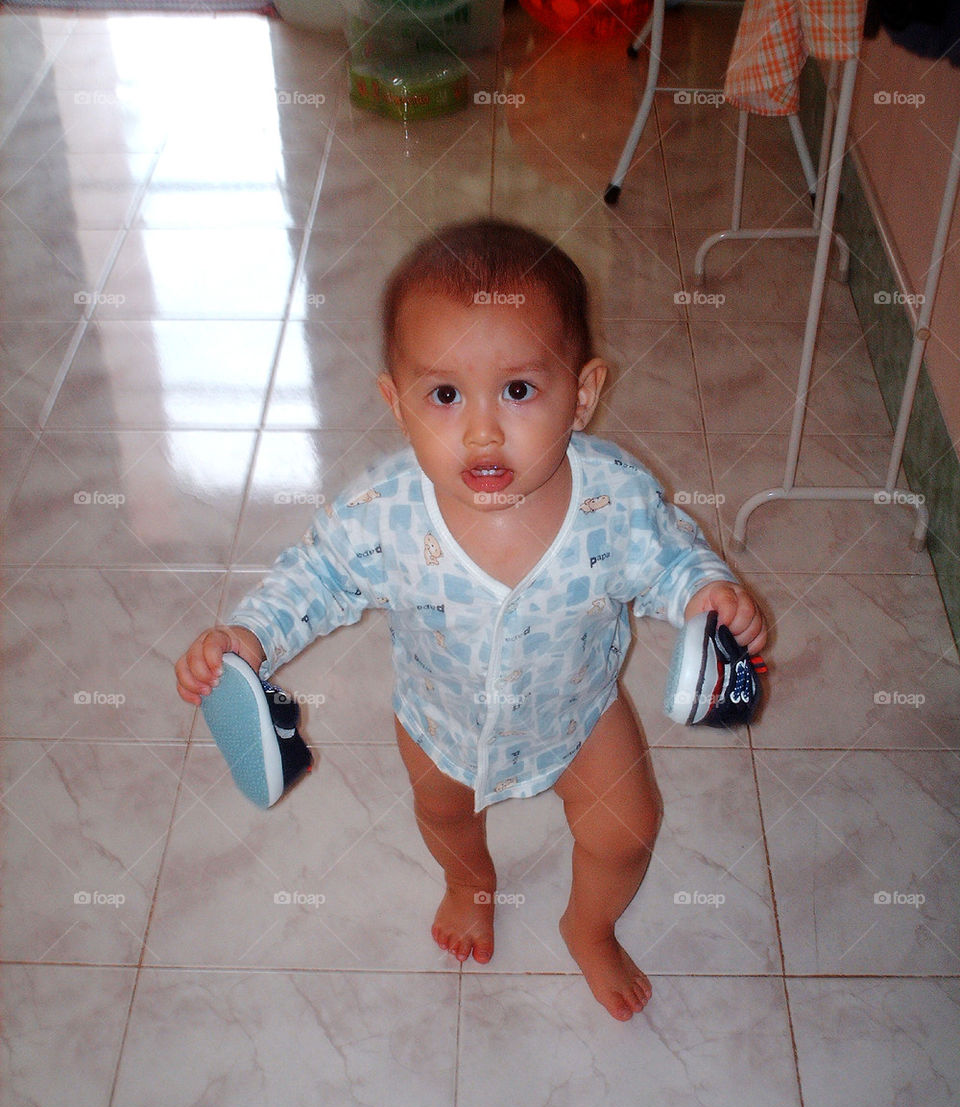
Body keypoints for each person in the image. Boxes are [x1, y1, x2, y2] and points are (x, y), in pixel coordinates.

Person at [175, 218, 767, 1022]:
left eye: (519, 390)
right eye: (445, 394)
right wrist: (248, 638)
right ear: (396, 401)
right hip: (439, 720)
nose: (483, 429)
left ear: (582, 395)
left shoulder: (613, 498)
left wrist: (709, 595)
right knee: (446, 813)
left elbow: (672, 557)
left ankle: (588, 926)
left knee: (628, 830)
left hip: (580, 713)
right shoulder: (383, 512)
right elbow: (314, 575)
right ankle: (469, 880)